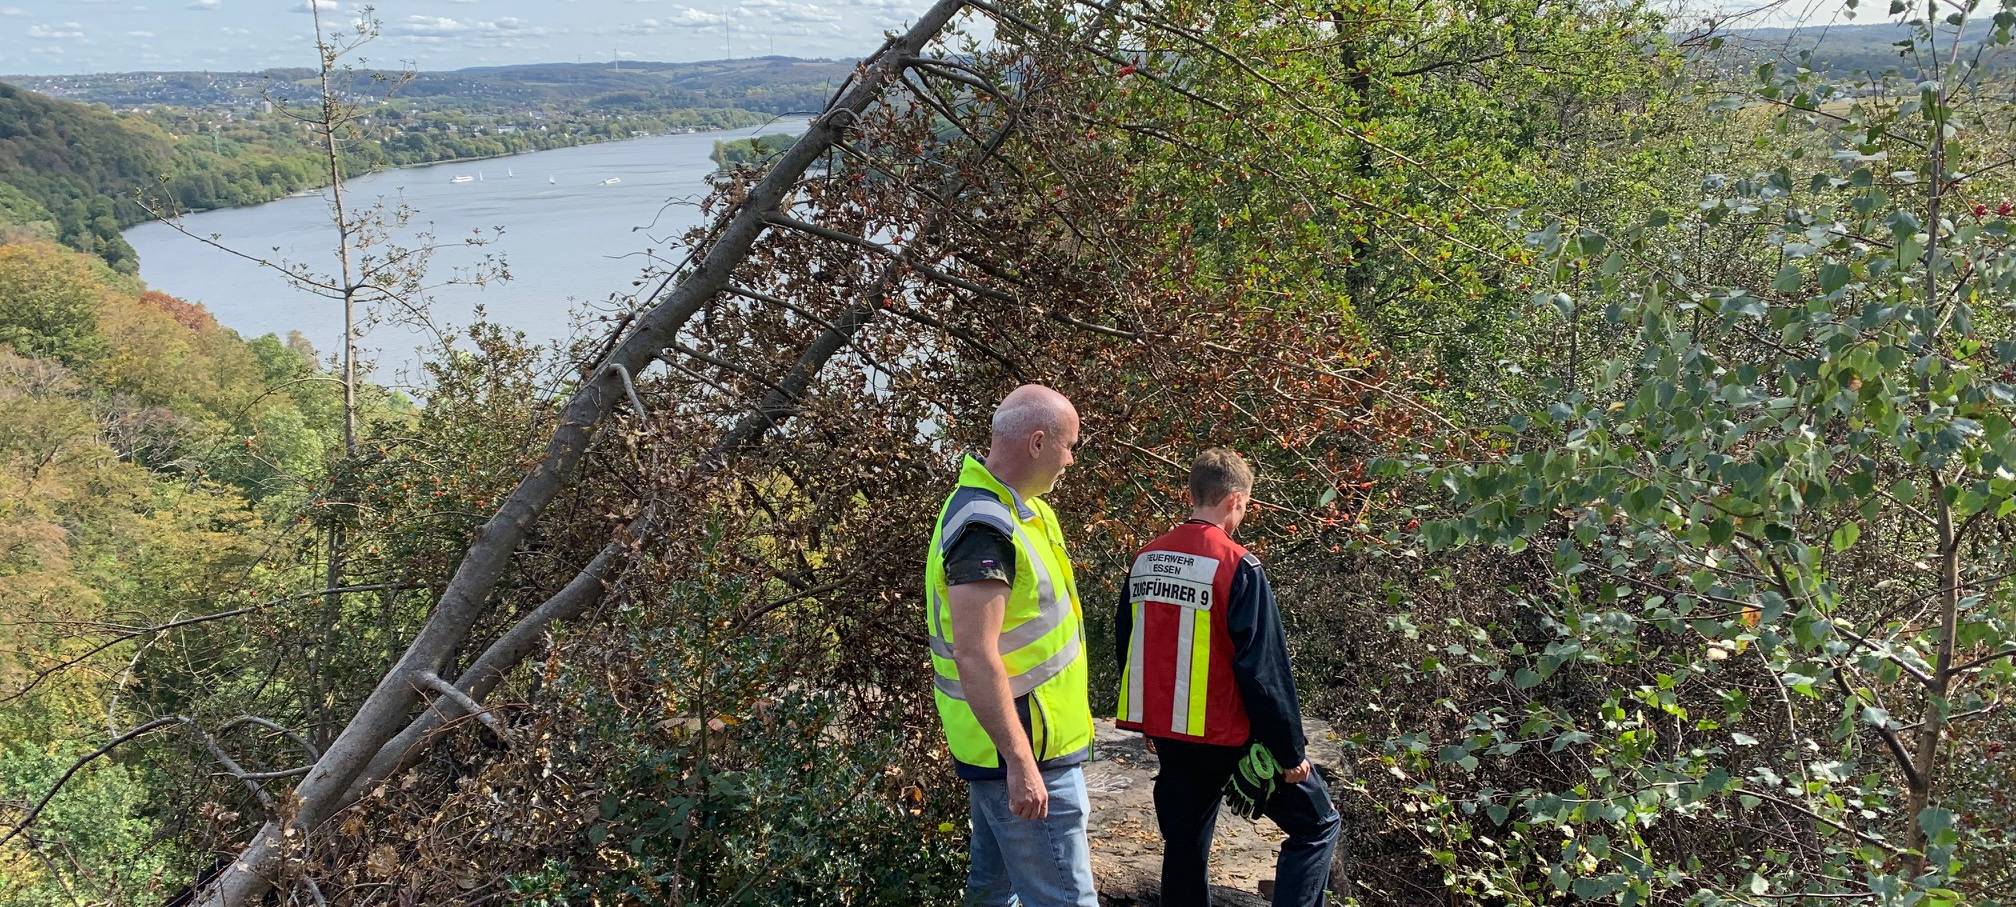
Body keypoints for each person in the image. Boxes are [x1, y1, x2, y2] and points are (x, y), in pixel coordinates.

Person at [1115, 448, 1341, 907]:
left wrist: (1150, 720)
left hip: (1174, 732)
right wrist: (1289, 751)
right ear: (1236, 500)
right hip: (1229, 736)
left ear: (1192, 494)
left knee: (1184, 846)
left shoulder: (1145, 560)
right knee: (1317, 825)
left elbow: (1129, 641)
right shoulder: (1238, 564)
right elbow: (1263, 669)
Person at [924, 384, 1098, 906]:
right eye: (1070, 446)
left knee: (993, 894)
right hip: (1026, 756)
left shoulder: (1022, 512)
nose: (1071, 460)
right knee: (1066, 899)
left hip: (1017, 751)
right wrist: (1020, 763)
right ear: (1038, 442)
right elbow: (974, 653)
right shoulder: (985, 524)